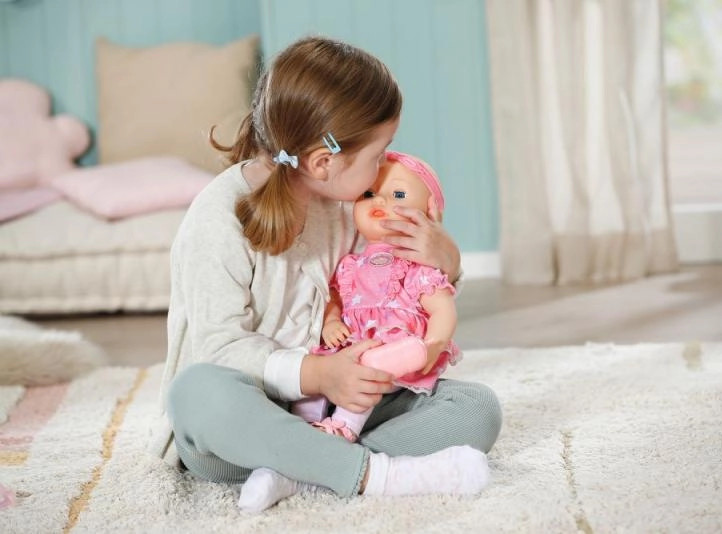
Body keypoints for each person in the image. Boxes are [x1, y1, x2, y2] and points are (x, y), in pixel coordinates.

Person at [148, 35, 502, 514]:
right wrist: (318, 374)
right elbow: (219, 348)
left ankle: (300, 469)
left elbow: (396, 293)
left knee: (477, 409)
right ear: (323, 162)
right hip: (251, 419)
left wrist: (446, 260)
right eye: (378, 155)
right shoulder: (217, 217)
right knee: (194, 394)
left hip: (340, 410)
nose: (385, 167)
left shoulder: (348, 207)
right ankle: (375, 474)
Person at [287, 150, 461, 443]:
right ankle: (303, 425)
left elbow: (443, 309)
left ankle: (344, 427)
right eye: (368, 194)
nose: (380, 201)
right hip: (350, 349)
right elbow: (335, 298)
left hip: (393, 354)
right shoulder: (349, 264)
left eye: (399, 195)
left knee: (369, 371)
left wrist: (433, 345)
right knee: (316, 364)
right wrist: (331, 322)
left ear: (429, 211)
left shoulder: (417, 268)